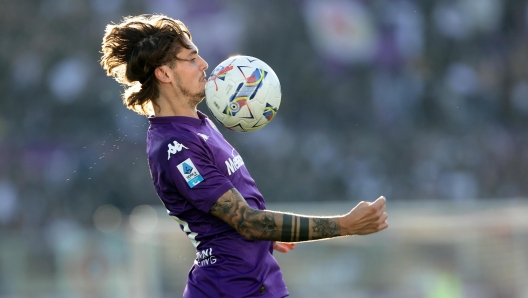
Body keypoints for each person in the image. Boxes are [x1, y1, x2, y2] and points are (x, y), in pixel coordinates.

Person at [100, 14, 388, 298]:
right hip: (228, 289)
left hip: (257, 283)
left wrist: (267, 237)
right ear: (164, 73)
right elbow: (247, 222)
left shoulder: (198, 123)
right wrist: (344, 225)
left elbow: (236, 214)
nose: (204, 64)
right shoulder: (175, 147)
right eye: (191, 59)